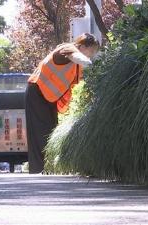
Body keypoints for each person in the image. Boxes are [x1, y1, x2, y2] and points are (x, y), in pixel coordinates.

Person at [25, 33, 100, 174]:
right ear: (82, 46)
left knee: (51, 130)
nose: (91, 56)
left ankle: (47, 168)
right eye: (91, 52)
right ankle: (39, 170)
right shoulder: (67, 49)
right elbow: (77, 57)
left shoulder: (77, 66)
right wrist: (91, 64)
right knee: (40, 132)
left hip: (48, 97)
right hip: (37, 91)